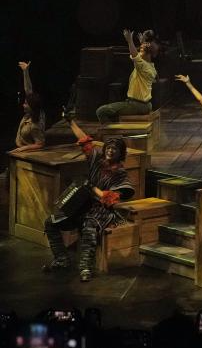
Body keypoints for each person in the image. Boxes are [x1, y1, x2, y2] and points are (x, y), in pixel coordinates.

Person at [42, 118, 134, 282]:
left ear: (120, 153)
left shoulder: (120, 174)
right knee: (50, 222)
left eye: (114, 149)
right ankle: (62, 259)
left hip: (101, 210)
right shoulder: (97, 160)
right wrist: (71, 122)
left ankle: (85, 267)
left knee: (89, 226)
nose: (110, 151)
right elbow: (85, 141)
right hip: (83, 204)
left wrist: (91, 187)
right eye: (109, 148)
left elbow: (109, 199)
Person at [96, 29, 158, 123]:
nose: (139, 51)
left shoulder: (143, 66)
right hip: (146, 105)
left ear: (147, 54)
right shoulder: (150, 66)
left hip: (137, 105)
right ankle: (117, 128)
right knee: (114, 112)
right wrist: (143, 43)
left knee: (101, 111)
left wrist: (130, 41)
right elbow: (138, 54)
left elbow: (135, 56)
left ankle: (112, 132)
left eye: (141, 50)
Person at [13, 61, 46, 153]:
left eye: (26, 104)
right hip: (21, 149)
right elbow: (28, 90)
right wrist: (25, 72)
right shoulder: (32, 113)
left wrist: (22, 148)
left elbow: (40, 144)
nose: (23, 105)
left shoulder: (35, 124)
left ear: (32, 106)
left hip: (28, 152)